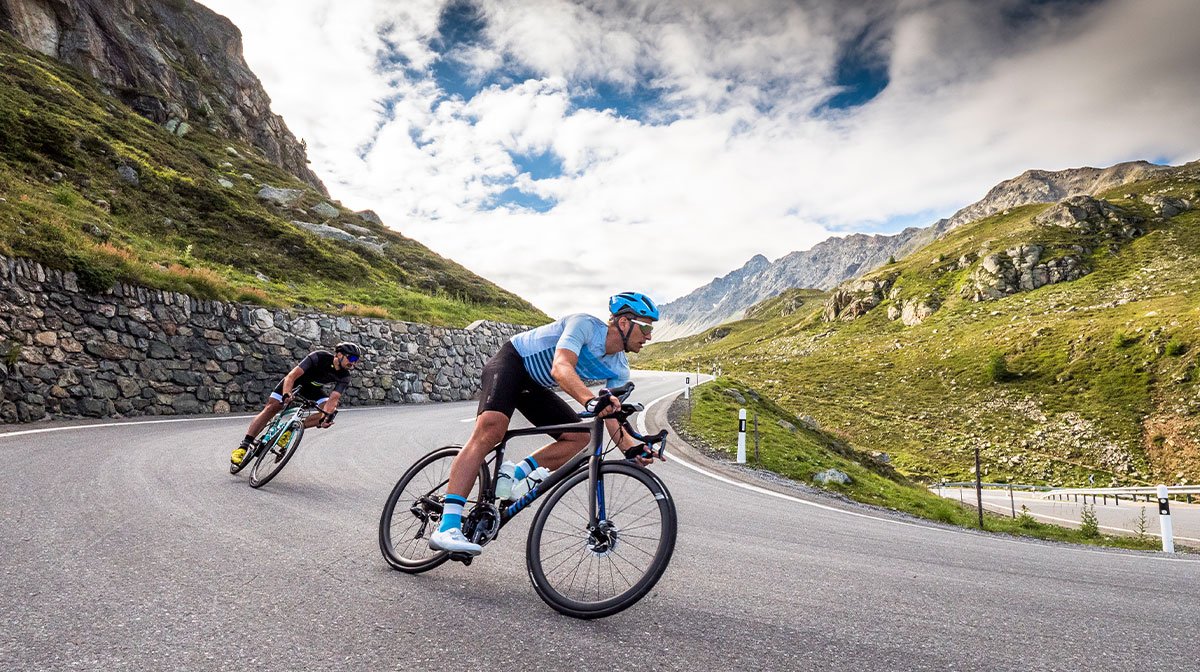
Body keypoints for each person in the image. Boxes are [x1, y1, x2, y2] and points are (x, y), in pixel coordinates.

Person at [429, 291, 662, 555]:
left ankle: (514, 474)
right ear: (623, 323)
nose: (649, 336)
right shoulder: (584, 325)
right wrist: (589, 401)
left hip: (533, 385)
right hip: (512, 363)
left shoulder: (619, 367)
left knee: (579, 438)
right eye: (645, 327)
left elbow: (609, 415)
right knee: (492, 428)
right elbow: (561, 367)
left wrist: (632, 449)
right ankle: (447, 526)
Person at [230, 341, 362, 466]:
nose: (353, 364)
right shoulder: (319, 357)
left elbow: (334, 399)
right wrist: (287, 393)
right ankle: (243, 446)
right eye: (351, 359)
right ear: (339, 355)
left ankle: (292, 428)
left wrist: (324, 417)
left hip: (313, 390)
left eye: (356, 361)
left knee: (329, 413)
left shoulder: (345, 376)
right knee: (273, 407)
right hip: (294, 383)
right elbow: (292, 376)